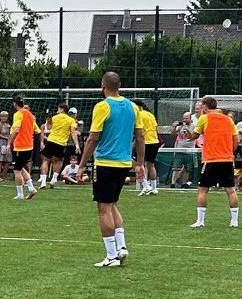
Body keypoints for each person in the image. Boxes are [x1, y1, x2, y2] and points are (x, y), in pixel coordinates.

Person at [82, 72, 142, 268]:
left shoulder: (103, 106)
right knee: (112, 204)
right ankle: (121, 247)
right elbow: (140, 137)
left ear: (102, 85)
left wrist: (82, 164)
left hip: (106, 163)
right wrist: (139, 163)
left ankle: (111, 256)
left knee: (103, 207)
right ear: (120, 85)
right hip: (124, 164)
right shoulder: (133, 107)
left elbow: (93, 138)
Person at [191, 96, 240, 228]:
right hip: (227, 159)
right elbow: (235, 140)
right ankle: (234, 221)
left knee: (202, 190)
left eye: (202, 106)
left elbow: (194, 136)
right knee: (230, 190)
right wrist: (229, 152)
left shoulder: (204, 118)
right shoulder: (228, 119)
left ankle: (200, 221)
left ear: (206, 106)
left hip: (211, 159)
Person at [8, 97, 41, 199]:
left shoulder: (18, 114)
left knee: (16, 170)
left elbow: (17, 129)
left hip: (20, 146)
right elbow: (37, 131)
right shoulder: (30, 115)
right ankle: (31, 188)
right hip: (29, 146)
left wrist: (9, 142)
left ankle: (20, 194)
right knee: (21, 167)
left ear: (15, 104)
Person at [41, 101, 77, 187]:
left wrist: (49, 119)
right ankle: (54, 179)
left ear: (62, 109)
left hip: (51, 140)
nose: (57, 110)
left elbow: (48, 127)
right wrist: (77, 145)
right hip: (61, 143)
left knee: (46, 160)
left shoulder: (54, 117)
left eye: (58, 108)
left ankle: (43, 182)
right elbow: (73, 132)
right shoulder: (71, 120)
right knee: (59, 160)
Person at [135, 101, 161, 195]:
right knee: (151, 164)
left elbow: (139, 131)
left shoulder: (139, 115)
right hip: (154, 141)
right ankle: (154, 188)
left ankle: (146, 186)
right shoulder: (150, 115)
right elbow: (155, 128)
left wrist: (135, 143)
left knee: (138, 163)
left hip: (145, 142)